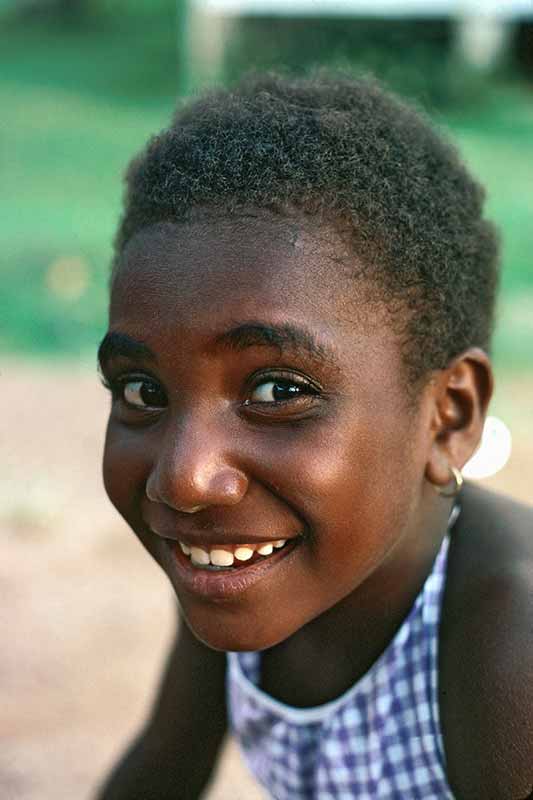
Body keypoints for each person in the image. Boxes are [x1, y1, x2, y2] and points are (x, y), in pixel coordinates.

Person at [95, 74, 533, 800]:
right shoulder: (240, 564)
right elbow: (160, 771)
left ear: (447, 416)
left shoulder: (508, 654)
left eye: (278, 391)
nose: (185, 478)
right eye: (144, 392)